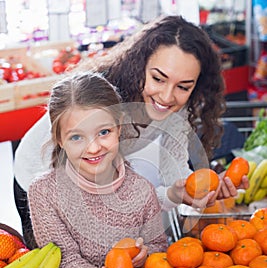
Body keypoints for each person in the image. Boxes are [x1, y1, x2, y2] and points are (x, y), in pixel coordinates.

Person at [14, 15, 249, 244]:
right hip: (39, 173)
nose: (167, 96)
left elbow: (176, 175)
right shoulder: (102, 99)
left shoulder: (176, 111)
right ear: (139, 66)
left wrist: (204, 188)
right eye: (158, 79)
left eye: (183, 87)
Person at [27, 71, 168, 268]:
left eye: (104, 132)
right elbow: (64, 262)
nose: (93, 148)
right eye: (76, 137)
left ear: (119, 128)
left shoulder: (142, 190)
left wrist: (146, 255)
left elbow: (160, 246)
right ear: (60, 140)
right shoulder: (45, 193)